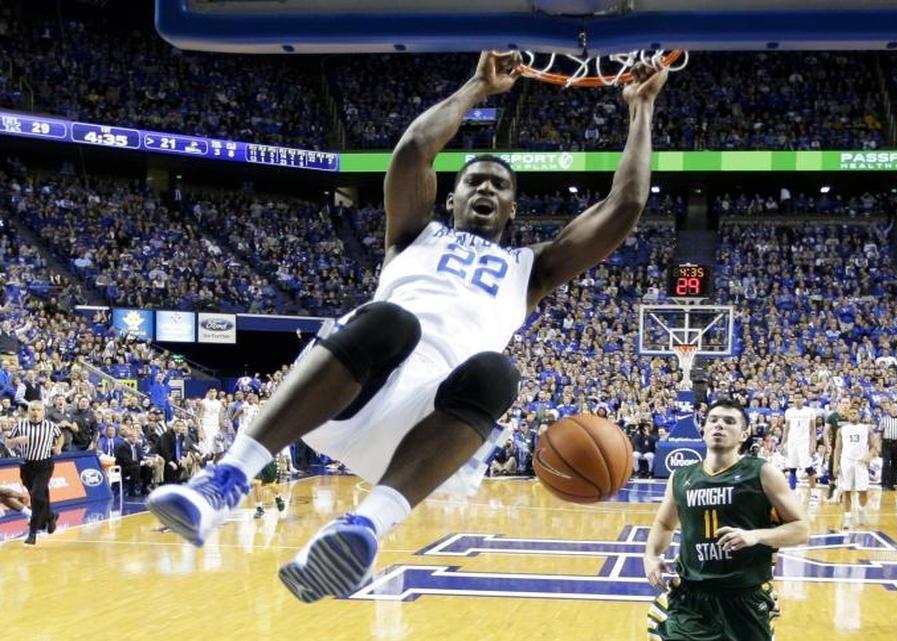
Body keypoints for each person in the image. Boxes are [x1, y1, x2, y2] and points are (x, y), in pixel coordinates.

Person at [148, 51, 669, 603]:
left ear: (514, 208)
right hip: (348, 392)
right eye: (475, 182)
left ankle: (364, 527)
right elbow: (414, 150)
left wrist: (641, 111)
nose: (486, 189)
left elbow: (626, 204)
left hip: (426, 433)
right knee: (391, 321)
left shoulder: (530, 268)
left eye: (498, 184)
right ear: (453, 197)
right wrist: (475, 88)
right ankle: (225, 481)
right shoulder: (414, 233)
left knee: (498, 373)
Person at [642, 399, 809, 641]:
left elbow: (802, 529)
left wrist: (755, 536)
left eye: (729, 422)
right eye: (713, 420)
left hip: (744, 597)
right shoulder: (681, 477)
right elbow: (664, 524)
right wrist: (651, 555)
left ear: (744, 434)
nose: (719, 425)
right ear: (703, 429)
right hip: (692, 597)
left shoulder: (761, 472)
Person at [4, 401, 64, 545]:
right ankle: (50, 516)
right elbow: (7, 442)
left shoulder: (50, 426)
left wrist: (58, 446)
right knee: (38, 496)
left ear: (43, 412)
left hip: (44, 464)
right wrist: (17, 440)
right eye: (32, 409)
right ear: (28, 411)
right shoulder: (20, 425)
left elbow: (60, 436)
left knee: (37, 495)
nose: (35, 412)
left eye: (38, 409)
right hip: (27, 465)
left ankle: (33, 532)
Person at [835, 406, 876, 530]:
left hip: (860, 462)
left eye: (855, 413)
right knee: (846, 491)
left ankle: (861, 511)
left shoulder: (866, 428)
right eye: (851, 413)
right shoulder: (842, 429)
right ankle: (847, 518)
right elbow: (838, 449)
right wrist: (835, 465)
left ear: (859, 415)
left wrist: (869, 455)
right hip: (846, 461)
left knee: (863, 490)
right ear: (847, 416)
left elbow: (873, 445)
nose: (853, 415)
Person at [781, 393, 816, 492]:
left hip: (805, 442)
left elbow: (813, 429)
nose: (797, 400)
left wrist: (813, 444)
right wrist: (782, 443)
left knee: (808, 468)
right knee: (792, 468)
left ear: (803, 399)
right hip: (792, 442)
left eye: (799, 397)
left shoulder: (809, 411)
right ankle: (792, 492)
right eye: (795, 398)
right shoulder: (789, 412)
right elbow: (786, 429)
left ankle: (813, 492)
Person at [824, 398, 853, 502]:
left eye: (847, 403)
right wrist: (827, 445)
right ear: (839, 404)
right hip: (836, 447)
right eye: (843, 403)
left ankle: (843, 491)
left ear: (850, 404)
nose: (845, 405)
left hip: (849, 448)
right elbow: (825, 432)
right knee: (833, 467)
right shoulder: (833, 416)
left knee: (846, 470)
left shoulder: (852, 417)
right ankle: (831, 487)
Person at [878, 402, 897, 490]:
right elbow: (880, 432)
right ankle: (884, 483)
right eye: (893, 408)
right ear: (890, 409)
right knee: (886, 462)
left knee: (895, 463)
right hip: (887, 442)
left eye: (896, 408)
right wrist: (878, 443)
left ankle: (892, 483)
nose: (895, 410)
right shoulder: (884, 419)